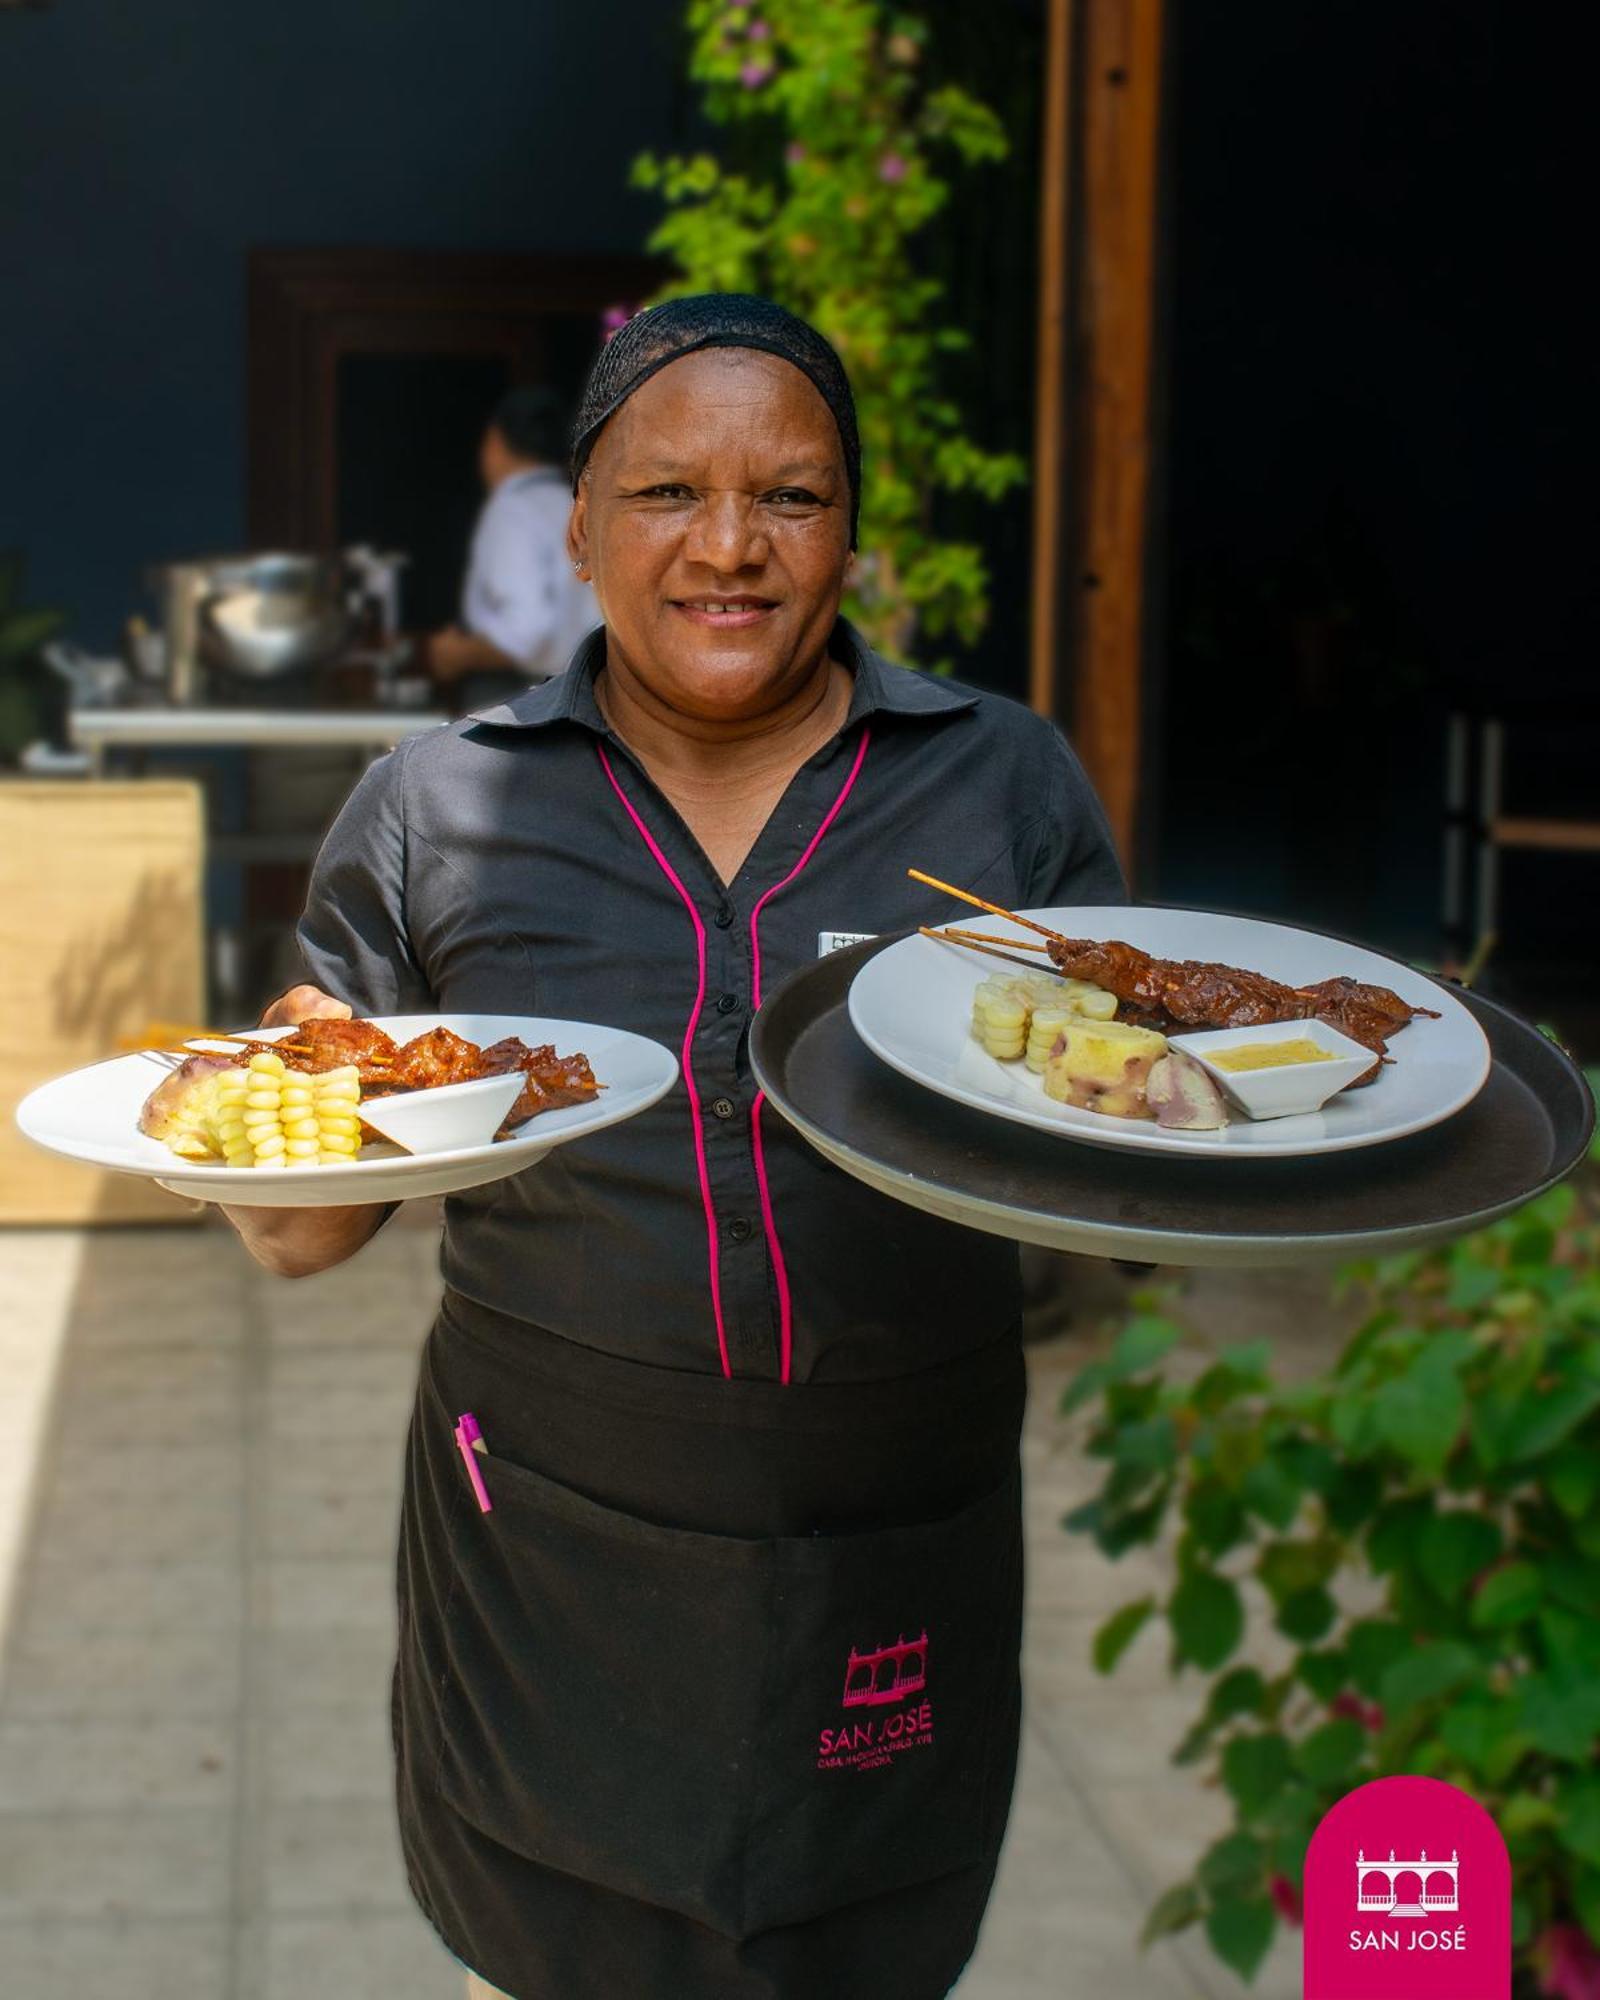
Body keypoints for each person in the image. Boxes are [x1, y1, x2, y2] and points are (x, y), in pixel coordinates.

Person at [222, 295, 1124, 2000]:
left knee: (861, 1940)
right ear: (575, 527)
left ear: (850, 531)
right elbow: (302, 1232)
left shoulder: (996, 786)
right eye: (664, 495)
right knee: (555, 1942)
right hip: (549, 1534)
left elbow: (1108, 1125)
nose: (730, 547)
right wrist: (268, 1139)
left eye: (790, 496)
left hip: (895, 1521)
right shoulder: (442, 803)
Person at [421, 384, 598, 711]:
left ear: (494, 443)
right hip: (583, 698)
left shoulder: (512, 510)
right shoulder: (574, 506)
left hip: (522, 702)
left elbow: (527, 632)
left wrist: (459, 653)